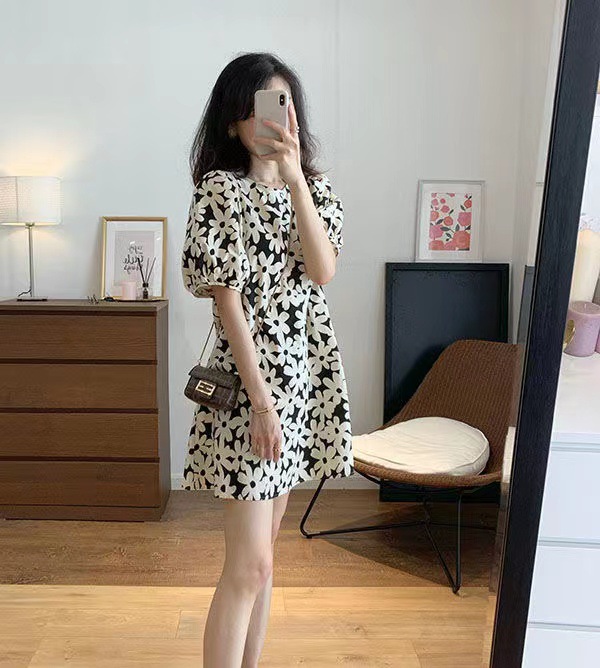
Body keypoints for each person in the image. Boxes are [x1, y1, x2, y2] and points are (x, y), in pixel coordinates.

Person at [181, 51, 354, 668]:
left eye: (285, 106)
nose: (275, 120)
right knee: (248, 566)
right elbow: (227, 302)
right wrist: (260, 403)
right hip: (250, 389)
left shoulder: (317, 191)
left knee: (265, 559)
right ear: (234, 121)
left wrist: (297, 179)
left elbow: (322, 270)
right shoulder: (220, 191)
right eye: (261, 107)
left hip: (303, 383)